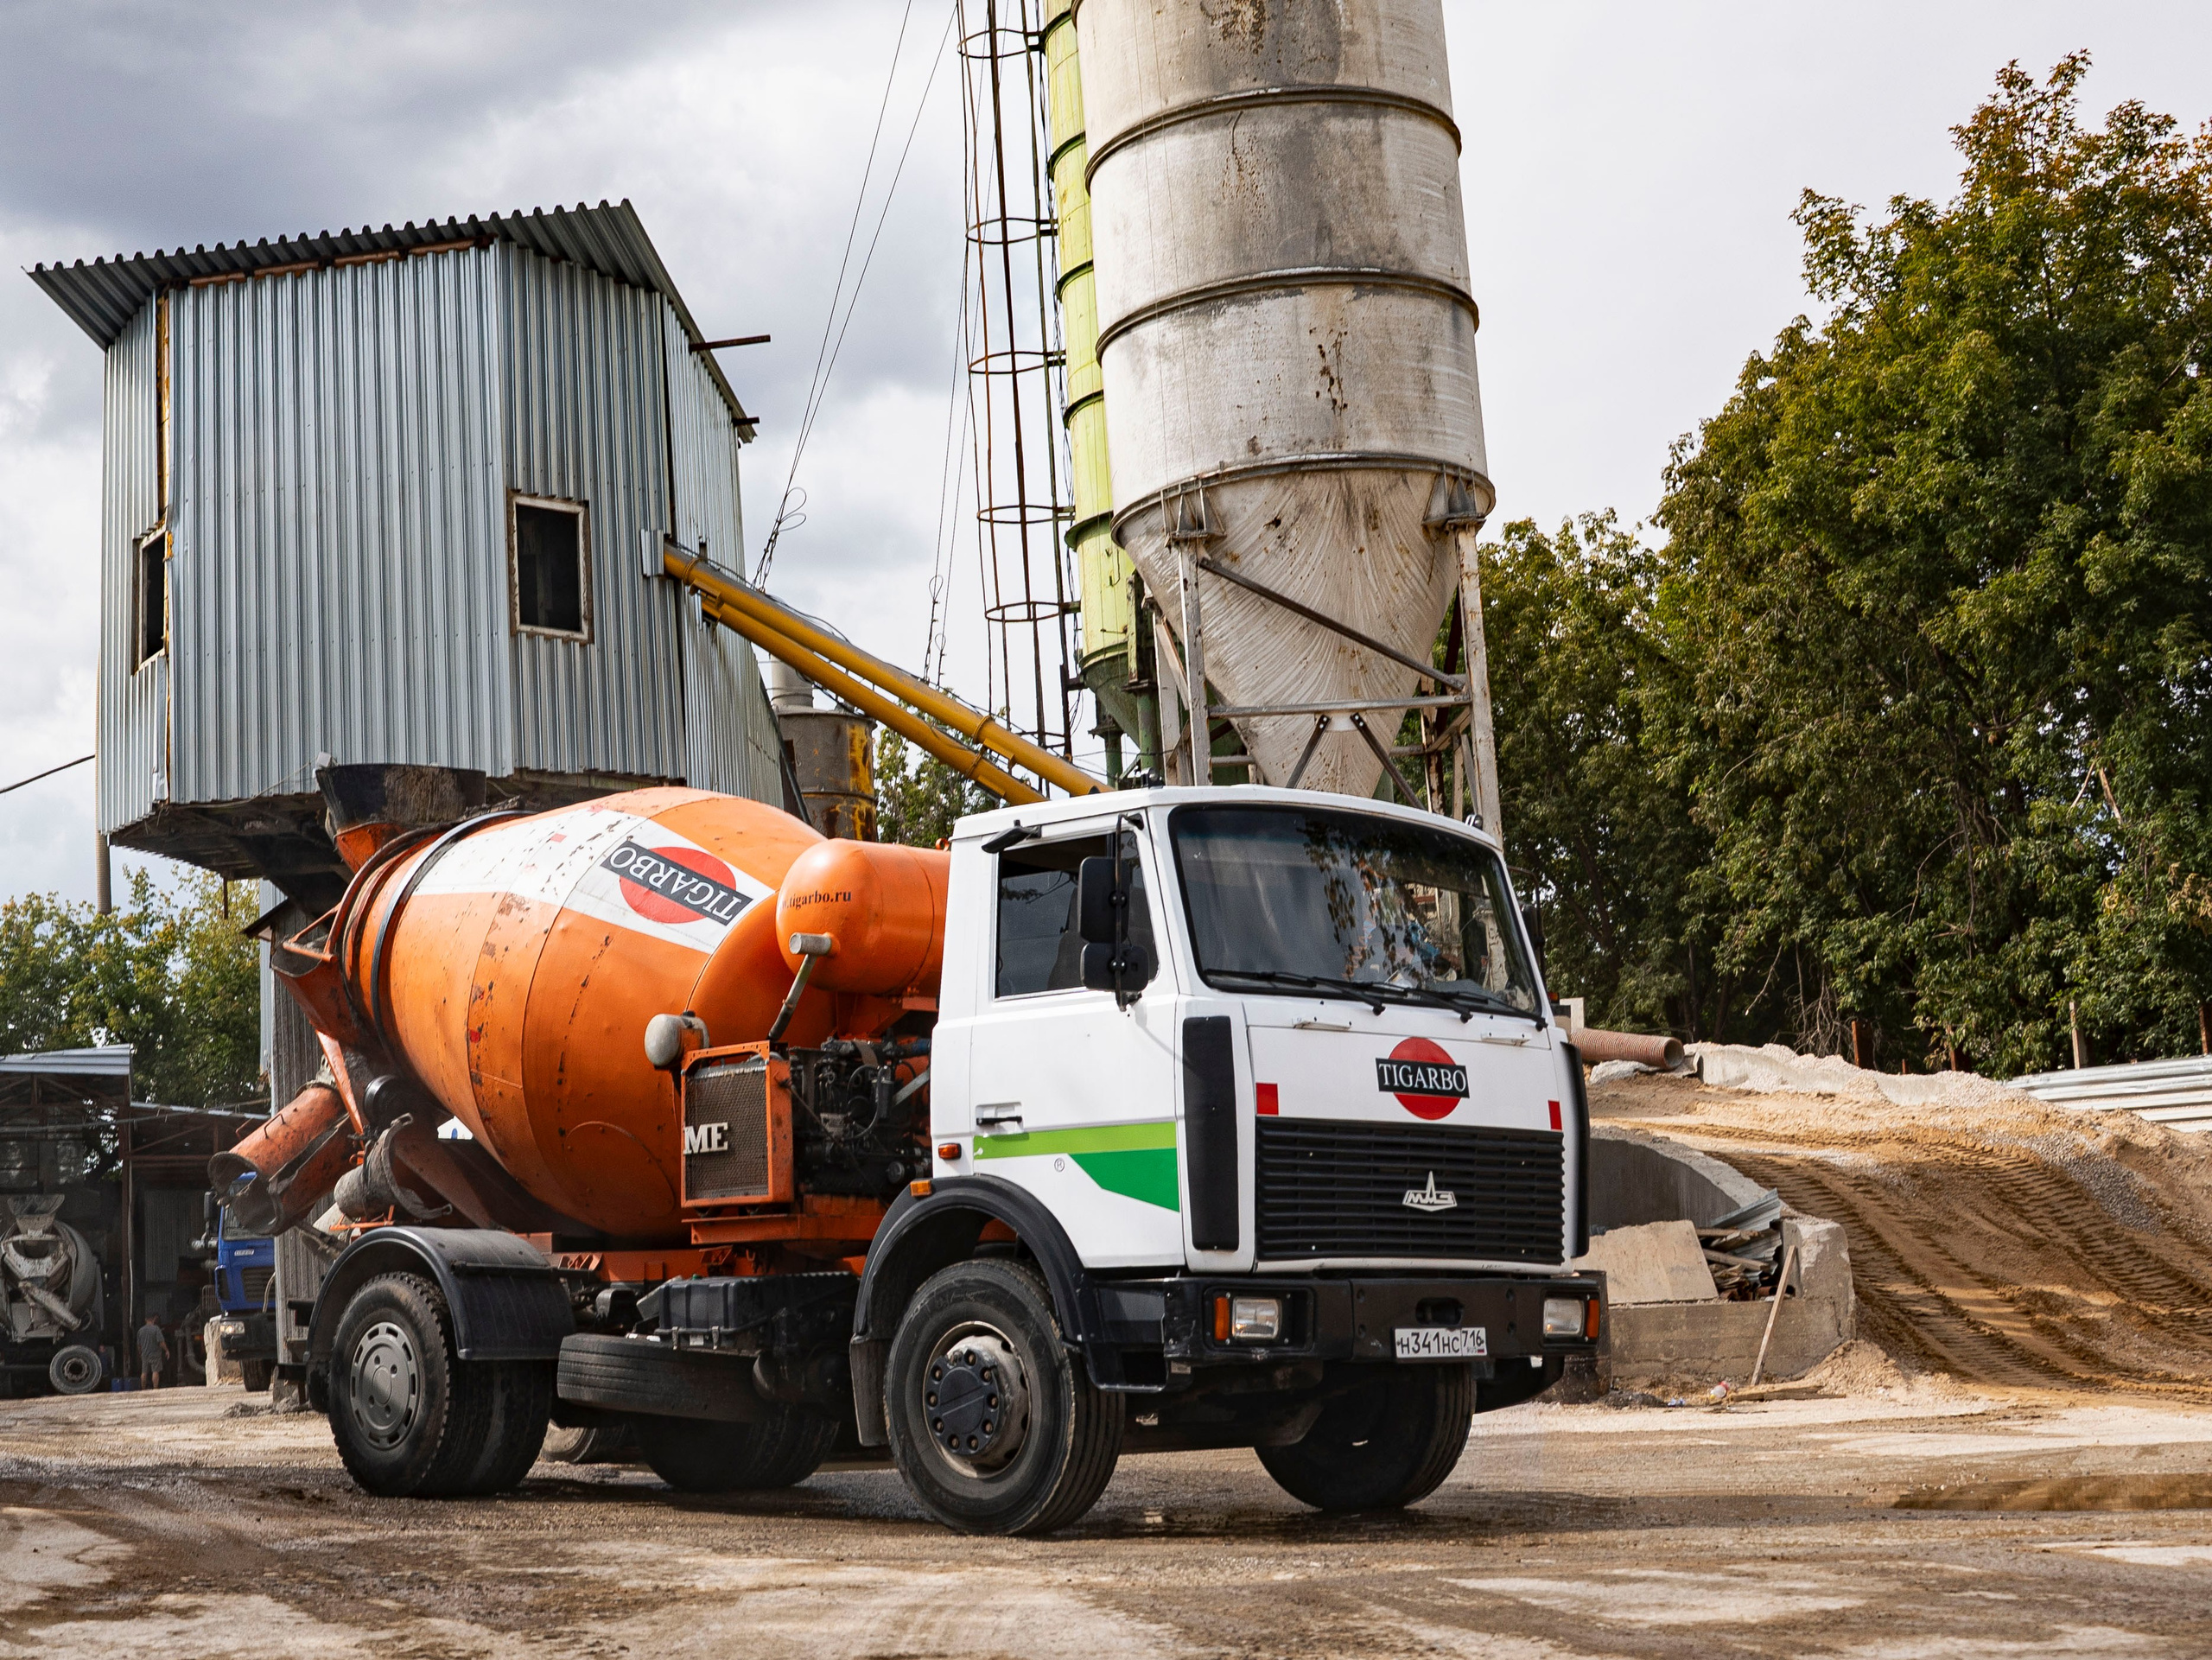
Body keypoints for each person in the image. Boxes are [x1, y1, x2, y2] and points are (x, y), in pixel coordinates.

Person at [136, 1313, 169, 1390]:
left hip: (144, 1354)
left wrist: (140, 1353)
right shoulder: (156, 1329)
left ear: (145, 1320)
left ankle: (143, 1389)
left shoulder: (140, 1331)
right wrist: (166, 1350)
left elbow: (139, 1345)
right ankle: (155, 1389)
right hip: (155, 1354)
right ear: (154, 1319)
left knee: (144, 1372)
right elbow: (161, 1342)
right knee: (155, 1371)